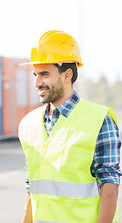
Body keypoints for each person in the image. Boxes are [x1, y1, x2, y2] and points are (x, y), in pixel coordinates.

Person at [18, 30, 121, 223]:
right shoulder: (28, 124)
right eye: (35, 74)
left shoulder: (100, 119)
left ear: (67, 75)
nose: (37, 82)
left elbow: (110, 184)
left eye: (44, 74)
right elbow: (31, 186)